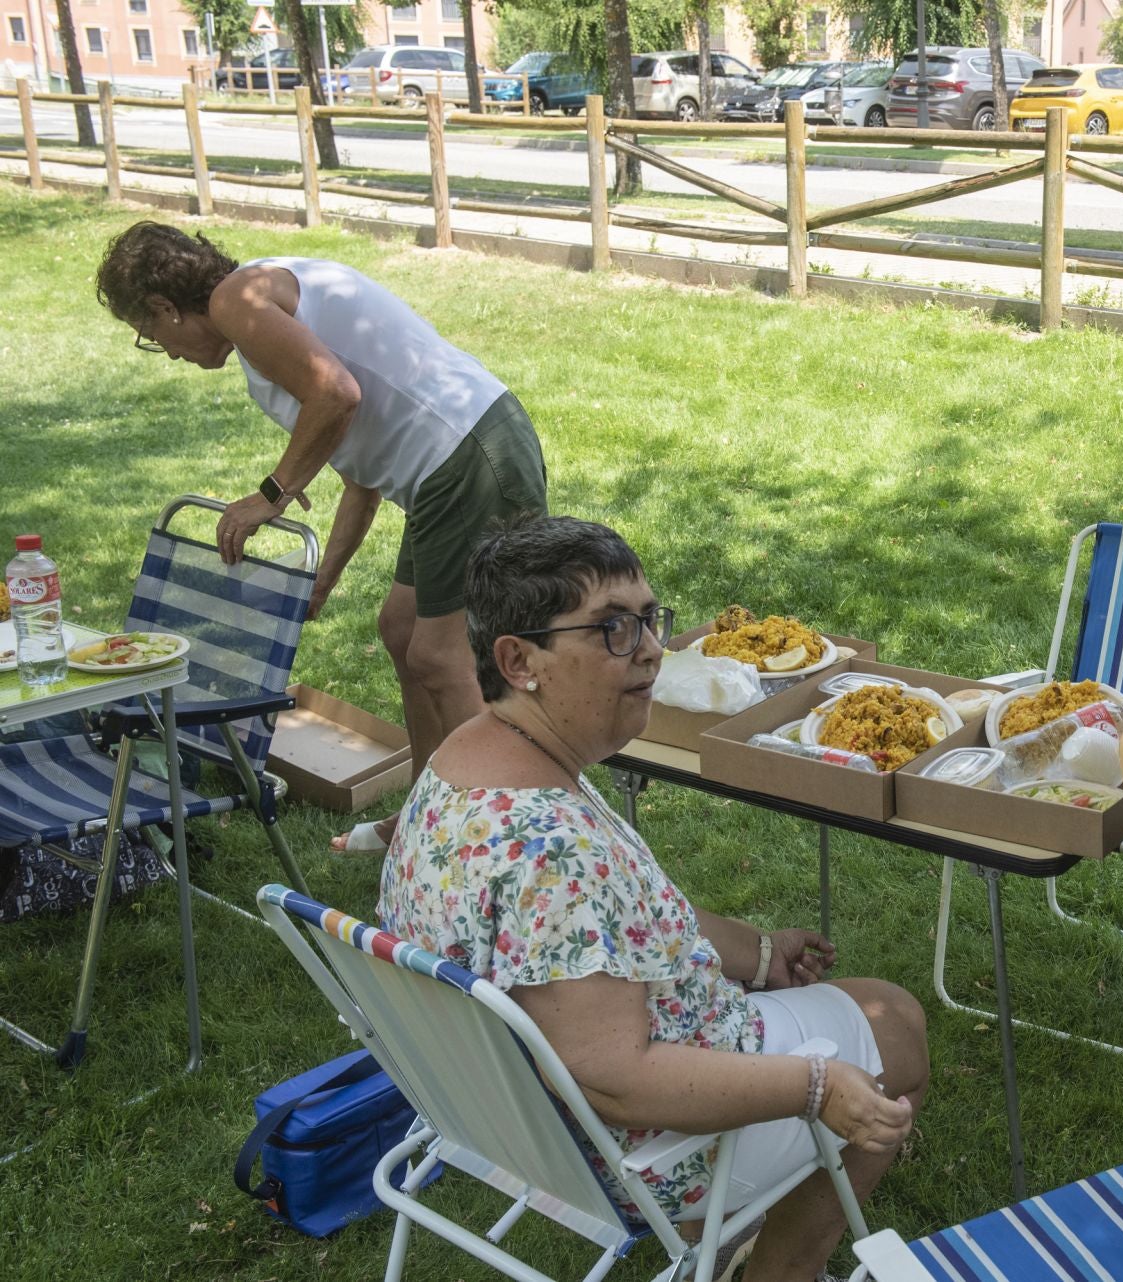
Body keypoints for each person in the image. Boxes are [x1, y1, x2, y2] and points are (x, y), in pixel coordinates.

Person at [377, 515, 928, 1282]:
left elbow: (618, 927)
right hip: (641, 1157)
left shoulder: (466, 763)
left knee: (862, 1012)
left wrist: (760, 953)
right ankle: (778, 1275)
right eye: (609, 629)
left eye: (646, 619)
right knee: (894, 1025)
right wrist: (815, 1085)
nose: (648, 648)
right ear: (519, 659)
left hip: (504, 1122)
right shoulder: (552, 848)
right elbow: (616, 1079)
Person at [94, 222, 549, 854]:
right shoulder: (260, 306)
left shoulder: (238, 300)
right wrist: (325, 575)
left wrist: (272, 494)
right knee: (400, 630)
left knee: (440, 657)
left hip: (470, 455)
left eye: (151, 336)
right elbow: (359, 472)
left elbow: (336, 394)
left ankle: (515, 836)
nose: (166, 351)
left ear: (164, 307)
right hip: (446, 466)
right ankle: (426, 821)